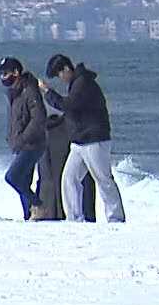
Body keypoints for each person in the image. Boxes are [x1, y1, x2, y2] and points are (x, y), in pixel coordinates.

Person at [40, 53, 124, 223]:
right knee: (69, 179)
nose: (60, 78)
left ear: (66, 69)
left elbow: (69, 105)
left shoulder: (83, 83)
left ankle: (115, 217)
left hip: (94, 139)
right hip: (80, 141)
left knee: (103, 179)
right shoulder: (77, 83)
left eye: (59, 74)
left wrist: (49, 92)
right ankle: (74, 217)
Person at [0, 56, 51, 220]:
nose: (2, 77)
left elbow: (39, 117)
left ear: (16, 73)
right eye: (1, 74)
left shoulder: (29, 90)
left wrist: (23, 138)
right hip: (20, 145)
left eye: (5, 73)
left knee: (12, 177)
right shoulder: (14, 93)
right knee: (24, 183)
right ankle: (30, 216)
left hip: (32, 145)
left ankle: (39, 206)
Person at [39, 112, 97, 222]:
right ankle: (79, 214)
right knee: (77, 179)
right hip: (71, 131)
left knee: (60, 178)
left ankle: (65, 214)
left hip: (55, 131)